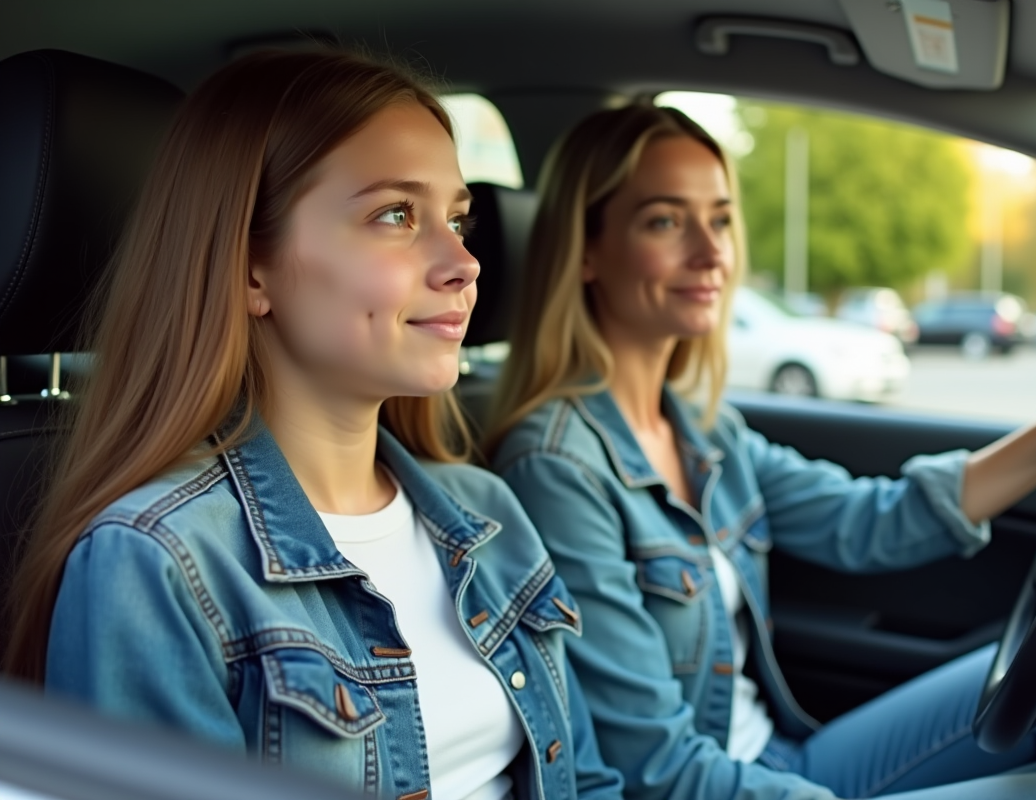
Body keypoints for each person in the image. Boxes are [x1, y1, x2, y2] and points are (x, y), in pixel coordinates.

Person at [486, 104, 1036, 800]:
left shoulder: (705, 432)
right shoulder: (557, 470)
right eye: (666, 221)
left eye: (721, 219)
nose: (711, 253)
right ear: (585, 250)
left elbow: (873, 521)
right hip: (713, 786)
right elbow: (654, 769)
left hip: (780, 758)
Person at [2, 50, 622, 800]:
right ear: (250, 268)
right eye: (396, 215)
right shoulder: (157, 562)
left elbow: (586, 782)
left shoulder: (487, 513)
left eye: (457, 220)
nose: (464, 262)